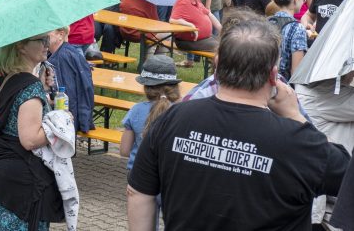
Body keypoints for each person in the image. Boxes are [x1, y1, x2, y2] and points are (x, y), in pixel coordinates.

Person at [128, 17, 350, 230]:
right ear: (273, 76)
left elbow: (138, 192)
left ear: (216, 65)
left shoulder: (172, 119)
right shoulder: (299, 140)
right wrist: (295, 115)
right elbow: (344, 174)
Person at [0, 33, 64, 231]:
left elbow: (14, 108)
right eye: (41, 41)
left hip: (1, 170)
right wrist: (61, 127)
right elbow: (29, 140)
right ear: (21, 46)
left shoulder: (4, 78)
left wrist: (41, 90)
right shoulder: (30, 87)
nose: (47, 45)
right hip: (22, 180)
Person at [120, 55, 180, 229]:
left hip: (138, 175)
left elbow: (124, 150)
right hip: (170, 175)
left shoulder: (136, 111)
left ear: (146, 86)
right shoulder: (181, 112)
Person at [46, 26, 95, 133]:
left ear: (61, 35)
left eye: (48, 32)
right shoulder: (64, 52)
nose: (44, 35)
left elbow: (67, 96)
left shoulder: (63, 57)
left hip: (67, 119)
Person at [169, 0, 221, 69]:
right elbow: (173, 20)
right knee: (222, 49)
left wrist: (222, 29)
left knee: (228, 44)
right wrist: (191, 25)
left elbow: (209, 14)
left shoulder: (196, 0)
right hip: (187, 41)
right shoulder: (183, 1)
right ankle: (220, 75)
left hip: (203, 38)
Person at [268, 0, 307, 82]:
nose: (303, 2)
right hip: (283, 84)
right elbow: (296, 71)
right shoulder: (297, 28)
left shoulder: (267, 22)